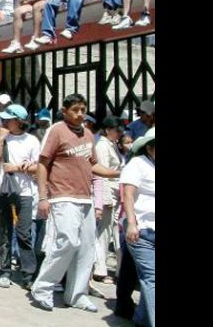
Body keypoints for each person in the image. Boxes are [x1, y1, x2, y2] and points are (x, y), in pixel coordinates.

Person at [30, 94, 121, 313]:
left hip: (85, 198)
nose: (80, 114)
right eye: (76, 110)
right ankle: (42, 288)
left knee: (86, 248)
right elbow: (42, 164)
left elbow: (93, 165)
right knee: (68, 242)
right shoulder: (56, 130)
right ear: (64, 110)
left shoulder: (89, 134)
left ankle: (76, 295)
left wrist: (116, 173)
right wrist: (43, 197)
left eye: (83, 109)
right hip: (62, 196)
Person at [0, 104, 41, 290]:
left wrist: (18, 167)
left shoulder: (32, 141)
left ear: (19, 121)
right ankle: (4, 270)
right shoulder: (2, 138)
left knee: (24, 233)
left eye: (9, 119)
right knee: (4, 232)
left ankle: (28, 274)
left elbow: (39, 166)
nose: (5, 122)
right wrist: (0, 140)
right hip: (4, 190)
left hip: (25, 192)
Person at [120, 128, 155, 327]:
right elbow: (129, 195)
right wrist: (132, 223)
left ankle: (141, 320)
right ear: (150, 147)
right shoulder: (137, 164)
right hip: (141, 231)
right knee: (152, 279)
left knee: (149, 280)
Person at [93, 116, 124, 283]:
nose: (119, 133)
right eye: (116, 130)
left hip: (116, 193)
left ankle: (114, 269)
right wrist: (104, 199)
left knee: (113, 232)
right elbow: (101, 173)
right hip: (108, 194)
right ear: (107, 130)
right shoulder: (102, 146)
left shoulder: (112, 145)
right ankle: (100, 268)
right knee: (104, 232)